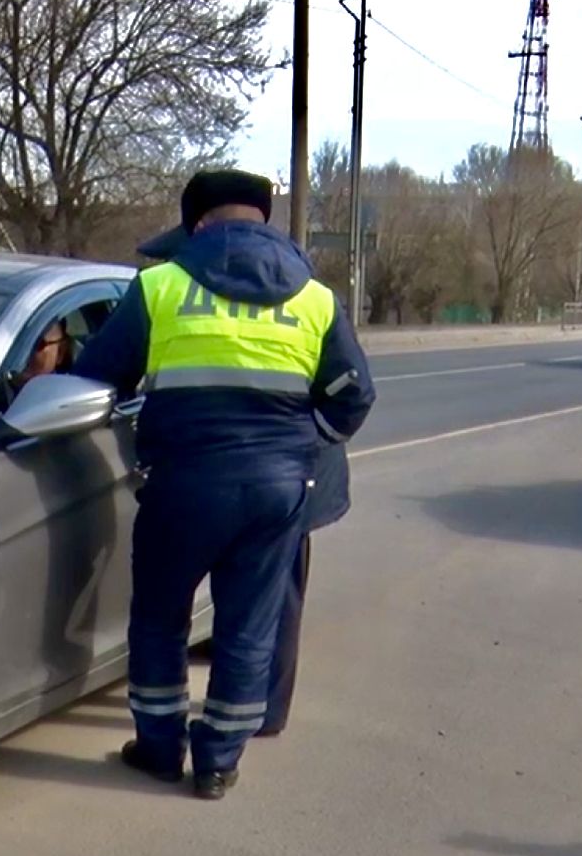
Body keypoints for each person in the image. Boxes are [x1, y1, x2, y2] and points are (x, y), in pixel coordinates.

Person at [73, 168, 375, 799]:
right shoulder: (315, 298)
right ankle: (217, 764)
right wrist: (301, 448)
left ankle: (158, 750)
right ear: (263, 219)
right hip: (275, 491)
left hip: (182, 482)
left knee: (159, 619)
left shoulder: (161, 286)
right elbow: (354, 396)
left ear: (197, 222)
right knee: (248, 626)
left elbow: (96, 374)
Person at [131, 228, 357, 740]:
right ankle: (245, 726)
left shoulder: (179, 292)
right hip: (285, 477)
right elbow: (352, 389)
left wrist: (306, 442)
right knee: (260, 610)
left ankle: (252, 717)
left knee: (259, 608)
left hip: (260, 474)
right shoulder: (302, 291)